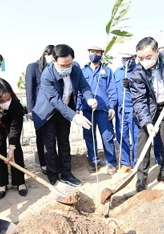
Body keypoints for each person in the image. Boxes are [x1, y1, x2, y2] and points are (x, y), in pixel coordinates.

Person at [32, 44, 97, 187]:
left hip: (65, 112)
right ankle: (54, 177)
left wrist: (89, 98)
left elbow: (84, 86)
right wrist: (75, 116)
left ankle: (67, 174)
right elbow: (55, 101)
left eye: (70, 63)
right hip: (48, 114)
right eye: (63, 65)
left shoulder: (75, 69)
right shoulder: (47, 75)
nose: (67, 67)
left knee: (64, 143)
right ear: (53, 61)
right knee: (49, 146)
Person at [130, 37, 164, 192]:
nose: (144, 61)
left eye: (148, 57)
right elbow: (139, 101)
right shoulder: (137, 74)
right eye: (140, 58)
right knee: (143, 145)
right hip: (147, 110)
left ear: (157, 52)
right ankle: (141, 178)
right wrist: (147, 123)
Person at [77, 46, 118, 175]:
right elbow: (79, 91)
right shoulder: (82, 72)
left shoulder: (107, 71)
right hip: (87, 110)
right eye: (92, 52)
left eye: (97, 52)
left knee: (107, 136)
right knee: (89, 136)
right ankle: (93, 160)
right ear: (88, 53)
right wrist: (78, 107)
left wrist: (112, 107)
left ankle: (111, 163)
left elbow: (112, 90)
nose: (94, 54)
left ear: (101, 54)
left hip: (103, 110)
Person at [25, 45, 54, 175]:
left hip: (54, 108)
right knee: (41, 137)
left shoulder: (53, 68)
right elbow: (29, 90)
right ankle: (43, 163)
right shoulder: (33, 67)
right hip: (39, 110)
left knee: (53, 137)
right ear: (45, 55)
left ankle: (53, 160)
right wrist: (30, 110)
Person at [114, 52, 139, 172]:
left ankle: (136, 163)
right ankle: (125, 162)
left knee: (136, 138)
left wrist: (131, 85)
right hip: (120, 110)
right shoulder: (117, 72)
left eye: (129, 58)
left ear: (134, 58)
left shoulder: (139, 71)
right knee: (121, 136)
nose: (127, 61)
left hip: (134, 109)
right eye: (124, 58)